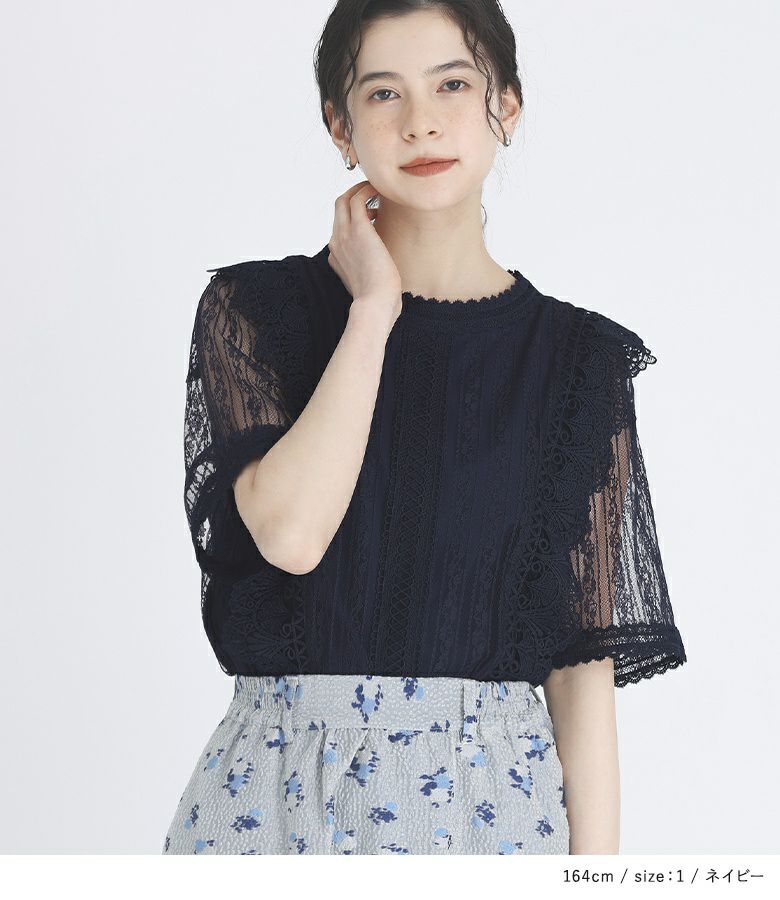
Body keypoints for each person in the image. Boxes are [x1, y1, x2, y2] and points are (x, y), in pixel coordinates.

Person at [163, 0, 687, 856]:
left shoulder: (578, 362)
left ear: (505, 105)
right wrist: (372, 311)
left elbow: (580, 669)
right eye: (383, 94)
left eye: (452, 84)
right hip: (271, 802)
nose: (421, 122)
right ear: (340, 126)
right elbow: (292, 536)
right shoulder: (255, 311)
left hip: (491, 810)